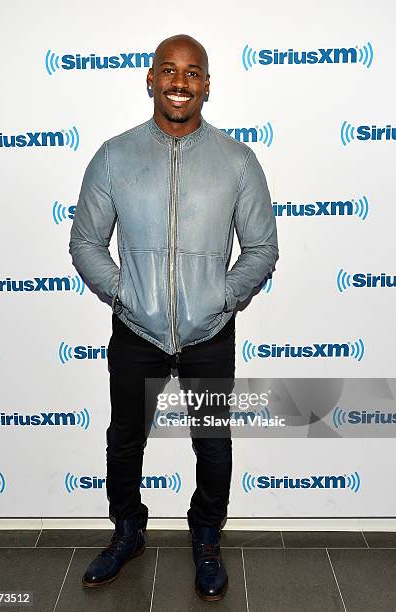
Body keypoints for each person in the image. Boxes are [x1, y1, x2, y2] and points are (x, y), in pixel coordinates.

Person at [69, 33, 278, 602]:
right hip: (136, 330)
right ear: (151, 79)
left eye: (192, 72)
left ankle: (207, 536)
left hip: (209, 333)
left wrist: (221, 298)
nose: (180, 82)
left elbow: (261, 248)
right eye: (169, 70)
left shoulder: (237, 160)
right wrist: (124, 296)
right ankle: (128, 530)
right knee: (125, 439)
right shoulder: (115, 155)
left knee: (212, 441)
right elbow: (86, 242)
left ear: (207, 84)